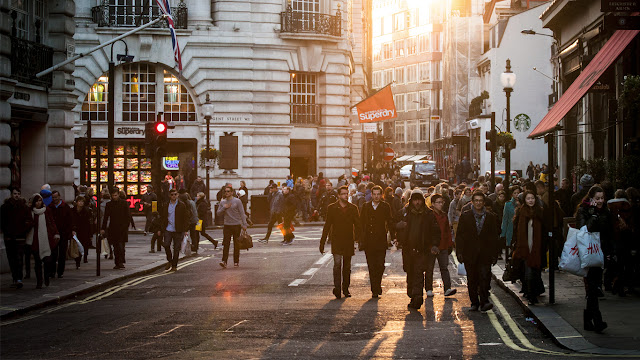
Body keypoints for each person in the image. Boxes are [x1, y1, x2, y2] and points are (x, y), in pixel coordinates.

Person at [456, 190, 501, 312]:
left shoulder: (491, 217)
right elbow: (459, 235)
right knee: (472, 279)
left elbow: (494, 237)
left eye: (481, 201)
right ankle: (474, 303)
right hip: (470, 253)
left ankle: (484, 301)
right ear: (472, 202)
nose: (478, 203)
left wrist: (495, 254)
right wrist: (459, 252)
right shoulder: (465, 216)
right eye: (476, 200)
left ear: (484, 202)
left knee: (485, 277)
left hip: (485, 254)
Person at [395, 188, 440, 309]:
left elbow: (435, 231)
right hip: (408, 248)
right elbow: (394, 224)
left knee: (419, 273)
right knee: (409, 272)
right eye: (415, 200)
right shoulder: (404, 212)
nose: (417, 203)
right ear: (411, 201)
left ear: (423, 201)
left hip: (422, 249)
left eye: (419, 200)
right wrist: (398, 229)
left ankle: (417, 296)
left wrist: (434, 244)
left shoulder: (429, 214)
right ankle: (412, 294)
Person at [575, 185, 612, 333]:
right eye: (597, 198)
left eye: (602, 198)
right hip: (587, 252)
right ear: (591, 199)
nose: (601, 201)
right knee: (592, 287)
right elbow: (583, 230)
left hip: (600, 252)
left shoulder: (606, 211)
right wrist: (594, 215)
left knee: (594, 287)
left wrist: (610, 252)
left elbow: (609, 233)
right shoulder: (583, 210)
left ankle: (588, 320)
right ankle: (597, 321)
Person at [320, 186, 362, 299]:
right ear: (338, 195)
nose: (345, 195)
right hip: (337, 240)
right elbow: (327, 225)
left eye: (346, 193)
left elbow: (358, 225)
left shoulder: (353, 208)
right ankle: (337, 288)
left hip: (348, 240)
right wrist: (322, 242)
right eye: (343, 194)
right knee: (337, 265)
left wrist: (359, 240)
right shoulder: (332, 208)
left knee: (347, 267)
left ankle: (346, 288)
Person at [512, 190, 546, 305]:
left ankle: (532, 292)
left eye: (532, 198)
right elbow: (516, 231)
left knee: (536, 272)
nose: (530, 200)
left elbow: (545, 230)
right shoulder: (521, 212)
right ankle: (531, 296)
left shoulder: (540, 212)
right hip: (525, 247)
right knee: (529, 272)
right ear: (525, 200)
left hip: (537, 247)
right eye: (528, 198)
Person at [360, 185, 394, 298]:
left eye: (378, 194)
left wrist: (393, 237)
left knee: (380, 265)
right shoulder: (366, 206)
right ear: (371, 195)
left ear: (381, 195)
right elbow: (362, 223)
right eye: (374, 194)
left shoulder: (385, 206)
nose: (376, 196)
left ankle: (377, 284)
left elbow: (389, 222)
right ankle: (375, 288)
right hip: (369, 241)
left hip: (381, 240)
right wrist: (360, 239)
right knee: (371, 265)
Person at [427, 193, 457, 297]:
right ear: (433, 204)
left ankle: (447, 288)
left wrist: (450, 244)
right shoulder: (429, 215)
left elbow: (447, 231)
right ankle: (429, 289)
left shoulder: (444, 215)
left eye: (442, 202)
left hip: (443, 246)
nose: (441, 204)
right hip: (431, 247)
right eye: (438, 202)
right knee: (429, 268)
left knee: (444, 267)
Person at [26, 194, 59, 288]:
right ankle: (39, 282)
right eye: (36, 201)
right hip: (34, 239)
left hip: (46, 239)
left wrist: (55, 233)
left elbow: (51, 222)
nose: (38, 203)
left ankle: (46, 276)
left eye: (40, 200)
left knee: (48, 260)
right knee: (37, 262)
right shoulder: (30, 211)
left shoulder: (47, 211)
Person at [1, 187, 31, 289]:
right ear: (11, 195)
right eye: (15, 194)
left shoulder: (24, 207)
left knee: (19, 258)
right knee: (11, 259)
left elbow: (29, 221)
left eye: (18, 193)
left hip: (20, 237)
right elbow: (2, 221)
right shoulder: (5, 207)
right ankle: (15, 278)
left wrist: (24, 230)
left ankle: (19, 279)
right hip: (9, 237)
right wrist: (6, 231)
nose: (16, 195)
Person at [606, 189, 632, 297]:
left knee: (614, 262)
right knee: (623, 262)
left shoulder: (611, 208)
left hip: (614, 238)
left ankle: (611, 283)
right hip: (625, 238)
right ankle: (619, 284)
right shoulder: (628, 208)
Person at [217, 185, 248, 268]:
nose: (226, 193)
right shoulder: (223, 202)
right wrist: (224, 207)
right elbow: (218, 213)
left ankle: (236, 261)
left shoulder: (237, 201)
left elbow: (242, 213)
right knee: (226, 244)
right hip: (227, 225)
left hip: (236, 225)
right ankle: (224, 261)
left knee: (236, 244)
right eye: (225, 191)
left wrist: (244, 224)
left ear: (231, 192)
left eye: (228, 191)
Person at [159, 189, 189, 271]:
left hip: (178, 230)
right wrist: (160, 229)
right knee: (166, 245)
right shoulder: (166, 205)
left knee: (176, 248)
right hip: (168, 229)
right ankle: (170, 260)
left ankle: (174, 265)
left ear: (177, 195)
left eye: (175, 194)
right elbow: (162, 218)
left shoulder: (181, 205)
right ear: (169, 195)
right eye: (172, 194)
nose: (173, 196)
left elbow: (185, 218)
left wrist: (186, 230)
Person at [101, 188, 131, 270]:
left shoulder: (124, 203)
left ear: (118, 194)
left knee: (121, 246)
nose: (114, 197)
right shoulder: (109, 205)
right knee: (115, 246)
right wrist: (103, 228)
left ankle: (121, 262)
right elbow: (106, 217)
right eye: (113, 195)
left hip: (122, 228)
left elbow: (128, 216)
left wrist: (126, 226)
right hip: (113, 228)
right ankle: (117, 263)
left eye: (116, 195)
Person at [48, 190, 73, 279]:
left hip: (63, 234)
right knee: (53, 254)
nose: (54, 199)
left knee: (62, 254)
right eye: (53, 197)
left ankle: (60, 272)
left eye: (56, 197)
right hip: (53, 234)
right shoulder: (50, 207)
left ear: (59, 197)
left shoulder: (65, 207)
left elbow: (70, 221)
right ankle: (52, 271)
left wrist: (69, 232)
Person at [72, 196, 93, 268]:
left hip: (85, 230)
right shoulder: (73, 210)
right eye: (79, 201)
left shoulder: (86, 210)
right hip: (76, 230)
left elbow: (89, 222)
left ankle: (85, 257)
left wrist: (90, 234)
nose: (81, 203)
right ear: (76, 202)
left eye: (82, 202)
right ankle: (77, 261)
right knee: (77, 246)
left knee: (85, 245)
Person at [501, 186, 521, 256]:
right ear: (512, 194)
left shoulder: (523, 204)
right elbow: (505, 218)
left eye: (518, 193)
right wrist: (503, 233)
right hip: (510, 228)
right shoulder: (508, 204)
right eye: (515, 193)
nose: (516, 195)